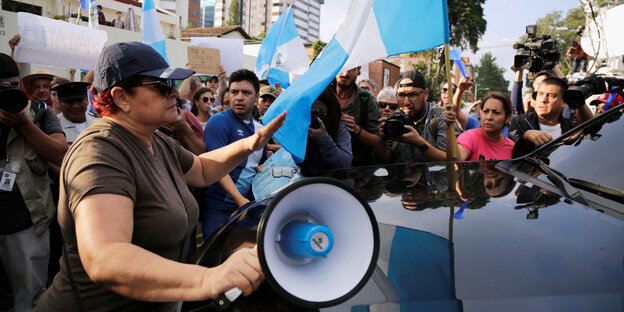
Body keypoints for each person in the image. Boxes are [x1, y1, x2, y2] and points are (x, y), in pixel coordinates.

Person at [35, 42, 284, 311]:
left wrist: (250, 143)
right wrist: (210, 278)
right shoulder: (99, 152)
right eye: (162, 86)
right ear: (120, 97)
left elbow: (201, 169)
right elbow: (105, 258)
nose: (175, 93)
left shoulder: (155, 140)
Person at [0, 53, 68, 312]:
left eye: (13, 86)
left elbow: (59, 153)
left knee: (30, 296)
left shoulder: (40, 113)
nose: (8, 93)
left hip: (28, 219)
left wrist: (24, 125)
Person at [202, 69, 267, 238]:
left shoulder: (260, 129)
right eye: (234, 92)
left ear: (256, 97)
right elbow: (216, 165)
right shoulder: (218, 122)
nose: (239, 97)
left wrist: (262, 168)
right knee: (211, 258)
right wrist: (239, 201)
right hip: (219, 206)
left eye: (246, 92)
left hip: (247, 204)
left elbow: (258, 164)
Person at [374, 70, 450, 164]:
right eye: (401, 95)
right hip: (399, 178)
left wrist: (420, 143)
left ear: (426, 94)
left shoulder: (440, 118)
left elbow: (450, 161)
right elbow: (382, 160)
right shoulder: (394, 118)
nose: (406, 102)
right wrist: (382, 140)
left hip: (432, 178)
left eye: (412, 95)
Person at [509, 77, 593, 158]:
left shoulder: (572, 130)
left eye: (552, 96)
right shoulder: (519, 122)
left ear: (564, 102)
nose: (543, 100)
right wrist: (525, 138)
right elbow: (512, 157)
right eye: (540, 94)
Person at [445, 92, 515, 161]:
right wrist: (449, 127)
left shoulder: (513, 148)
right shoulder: (470, 137)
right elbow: (456, 159)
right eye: (486, 111)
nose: (489, 117)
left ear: (507, 118)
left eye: (496, 112)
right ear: (481, 112)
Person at [333, 66, 381, 167]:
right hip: (322, 171)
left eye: (351, 68)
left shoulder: (367, 100)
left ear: (358, 70)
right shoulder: (320, 94)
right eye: (343, 67)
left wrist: (356, 129)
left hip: (355, 171)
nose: (345, 73)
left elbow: (377, 141)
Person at [300, 86, 352, 176]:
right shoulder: (298, 123)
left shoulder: (338, 126)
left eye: (319, 111)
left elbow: (345, 163)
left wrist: (323, 138)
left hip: (332, 183)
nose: (314, 116)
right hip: (303, 182)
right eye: (311, 110)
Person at [52, 82, 99, 146]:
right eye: (70, 102)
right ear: (60, 102)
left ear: (87, 100)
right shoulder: (53, 126)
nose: (76, 106)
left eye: (80, 101)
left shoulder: (98, 122)